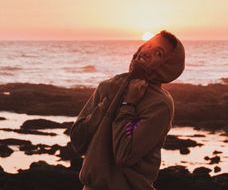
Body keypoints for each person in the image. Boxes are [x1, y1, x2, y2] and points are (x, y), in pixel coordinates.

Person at [70, 30, 185, 190]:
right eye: (148, 45)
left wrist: (127, 105)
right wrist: (107, 105)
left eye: (158, 53)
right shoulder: (108, 87)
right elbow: (78, 140)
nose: (146, 52)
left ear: (167, 66)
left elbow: (125, 154)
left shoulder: (160, 104)